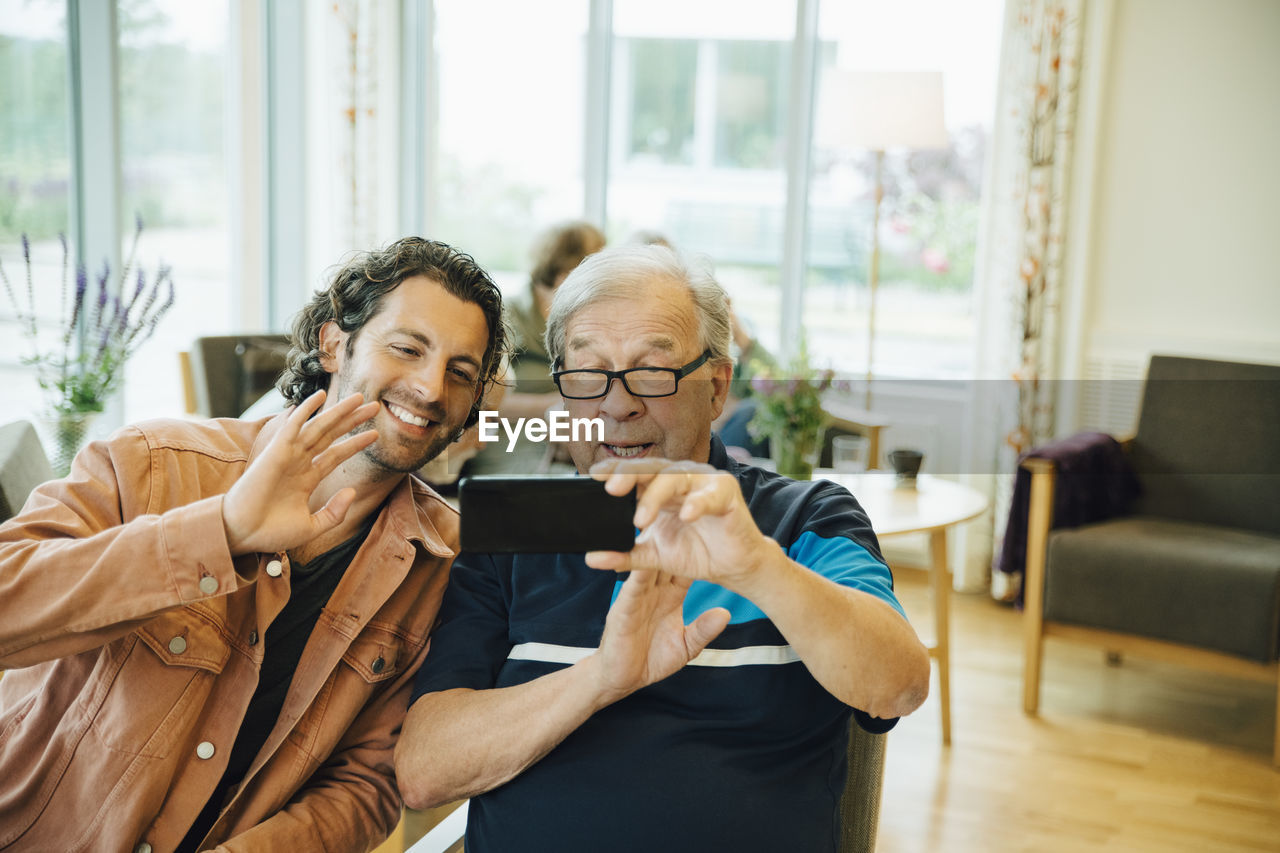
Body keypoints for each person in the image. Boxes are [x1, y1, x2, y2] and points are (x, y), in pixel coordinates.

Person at [394, 244, 930, 852]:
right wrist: (602, 678)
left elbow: (899, 686)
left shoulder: (803, 518)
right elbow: (425, 769)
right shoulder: (513, 531)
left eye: (653, 370)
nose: (617, 405)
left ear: (718, 386)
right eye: (589, 374)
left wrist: (756, 567)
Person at [0, 237, 507, 852]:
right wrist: (224, 531)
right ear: (334, 343)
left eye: (461, 372)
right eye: (407, 349)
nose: (430, 389)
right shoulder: (151, 464)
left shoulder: (443, 566)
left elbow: (367, 783)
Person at [466, 220, 605, 475]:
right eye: (595, 262)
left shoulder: (591, 320)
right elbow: (479, 401)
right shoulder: (506, 316)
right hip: (514, 443)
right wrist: (555, 406)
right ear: (566, 269)